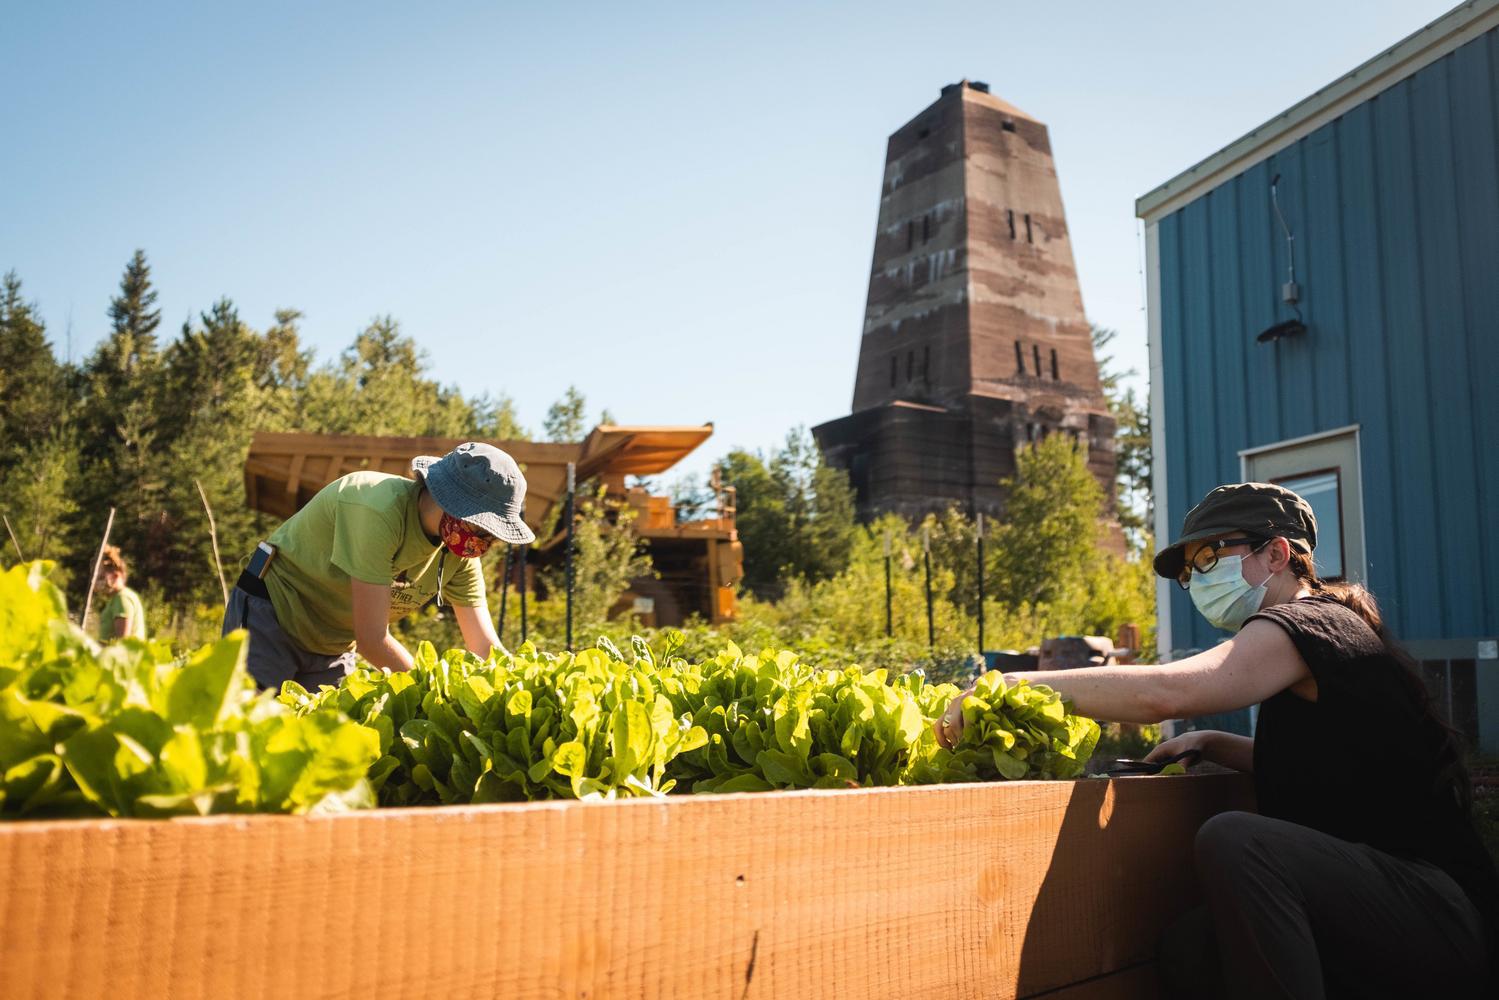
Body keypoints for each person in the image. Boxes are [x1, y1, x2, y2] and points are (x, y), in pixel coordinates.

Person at [935, 482, 1496, 998]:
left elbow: (1166, 695)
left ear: (1276, 555)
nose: (1197, 578)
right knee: (1191, 947)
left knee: (1238, 841)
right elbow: (1332, 769)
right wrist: (1213, 742)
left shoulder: (1308, 625)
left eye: (1209, 556)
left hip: (1443, 909)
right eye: (1189, 570)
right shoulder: (1319, 636)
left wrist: (1012, 683)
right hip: (1392, 897)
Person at [222, 441, 534, 691]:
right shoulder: (376, 509)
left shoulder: (457, 553)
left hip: (334, 642)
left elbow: (483, 645)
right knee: (244, 741)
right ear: (450, 503)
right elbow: (372, 639)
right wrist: (433, 693)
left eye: (493, 536)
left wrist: (522, 686)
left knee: (317, 753)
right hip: (272, 615)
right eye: (484, 529)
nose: (485, 544)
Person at [94, 544, 147, 642]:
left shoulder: (122, 598)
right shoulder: (116, 599)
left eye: (101, 578)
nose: (97, 583)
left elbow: (123, 642)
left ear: (115, 575)